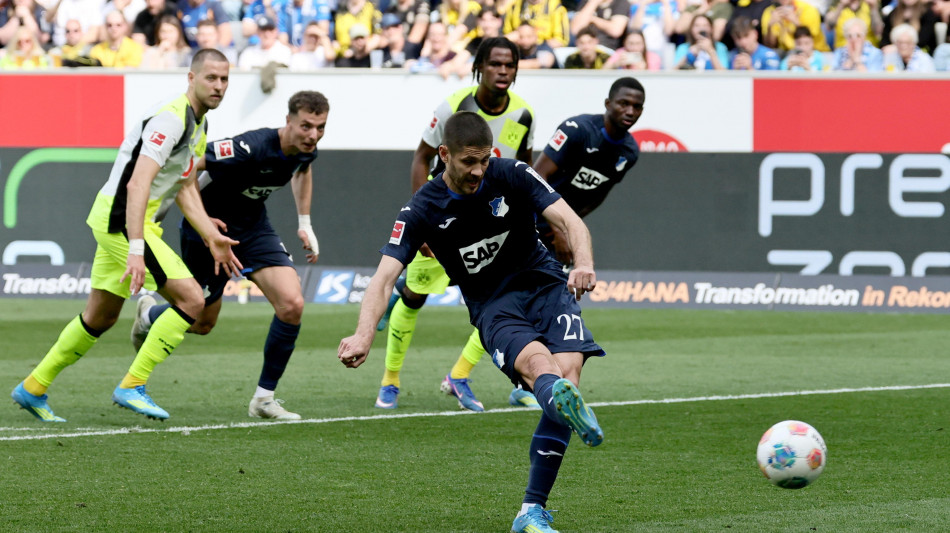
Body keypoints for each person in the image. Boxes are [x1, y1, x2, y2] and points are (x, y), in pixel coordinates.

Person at [338, 111, 605, 533]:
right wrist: (363, 333)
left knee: (567, 373)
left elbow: (570, 221)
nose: (479, 171)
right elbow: (385, 276)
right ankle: (533, 502)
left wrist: (584, 263)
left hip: (545, 284)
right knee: (542, 370)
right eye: (468, 162)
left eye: (484, 160)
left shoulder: (512, 173)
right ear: (444, 154)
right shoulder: (421, 208)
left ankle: (530, 511)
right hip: (494, 306)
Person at [10, 49, 239, 422]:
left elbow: (183, 186)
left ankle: (32, 388)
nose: (218, 85)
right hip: (123, 223)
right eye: (211, 77)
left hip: (124, 222)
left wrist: (210, 233)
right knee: (192, 300)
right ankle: (132, 385)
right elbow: (137, 184)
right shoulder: (171, 119)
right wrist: (135, 248)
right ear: (191, 78)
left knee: (99, 317)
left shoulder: (199, 125)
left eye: (224, 79)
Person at [132, 91, 328, 420]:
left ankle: (264, 399)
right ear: (288, 121)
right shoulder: (250, 147)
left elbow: (303, 171)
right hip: (208, 231)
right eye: (306, 126)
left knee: (292, 304)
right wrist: (203, 220)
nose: (313, 135)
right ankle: (149, 316)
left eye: (320, 127)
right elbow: (187, 163)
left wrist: (305, 223)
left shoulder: (305, 150)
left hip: (253, 229)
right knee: (202, 322)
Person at [375, 37, 540, 412]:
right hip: (446, 220)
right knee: (415, 297)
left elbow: (524, 170)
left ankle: (460, 375)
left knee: (506, 300)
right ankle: (390, 380)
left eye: (510, 65)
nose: (503, 71)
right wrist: (424, 225)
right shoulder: (452, 107)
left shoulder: (524, 115)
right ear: (480, 66)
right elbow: (421, 159)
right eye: (495, 64)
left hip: (496, 225)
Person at [532, 77, 643, 267]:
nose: (630, 111)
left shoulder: (629, 153)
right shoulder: (577, 130)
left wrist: (570, 226)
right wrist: (559, 228)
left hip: (558, 231)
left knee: (555, 290)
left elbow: (598, 195)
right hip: (529, 220)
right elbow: (537, 176)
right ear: (608, 104)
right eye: (623, 104)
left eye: (637, 106)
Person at [760, 0, 830, 54]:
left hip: (816, 52)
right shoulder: (769, 12)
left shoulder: (808, 9)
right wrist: (770, 26)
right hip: (786, 53)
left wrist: (796, 22)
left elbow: (810, 40)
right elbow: (770, 45)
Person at [502, 0, 570, 49]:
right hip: (517, 48)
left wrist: (533, 42)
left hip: (545, 51)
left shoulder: (555, 6)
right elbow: (507, 35)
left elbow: (560, 41)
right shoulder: (515, 5)